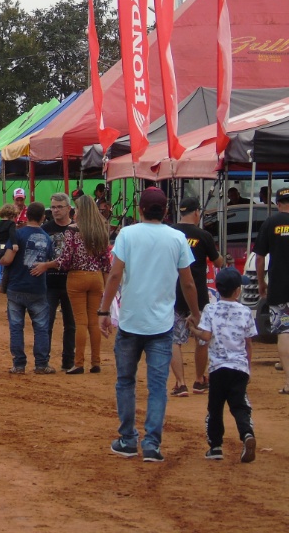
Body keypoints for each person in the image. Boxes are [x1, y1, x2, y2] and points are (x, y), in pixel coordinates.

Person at [99, 187, 199, 463]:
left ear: (140, 210)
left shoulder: (127, 234)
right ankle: (152, 444)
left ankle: (128, 439)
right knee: (157, 386)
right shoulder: (177, 238)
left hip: (131, 321)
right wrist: (195, 313)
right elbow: (187, 282)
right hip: (161, 324)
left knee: (125, 381)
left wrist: (104, 310)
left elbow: (115, 274)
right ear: (166, 211)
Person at [33, 195, 111, 374]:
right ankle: (96, 362)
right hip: (96, 277)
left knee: (80, 322)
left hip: (77, 277)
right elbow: (106, 261)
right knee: (93, 321)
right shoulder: (101, 229)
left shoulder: (73, 230)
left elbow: (66, 259)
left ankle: (79, 362)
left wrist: (48, 264)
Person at [188, 268, 257, 463]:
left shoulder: (211, 309)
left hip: (218, 368)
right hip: (239, 368)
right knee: (240, 406)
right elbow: (248, 343)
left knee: (215, 408)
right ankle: (247, 434)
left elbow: (206, 336)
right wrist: (248, 368)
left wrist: (193, 328)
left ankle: (216, 446)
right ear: (237, 291)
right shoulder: (245, 311)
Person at [170, 196, 225, 397]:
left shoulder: (170, 233)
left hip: (173, 293)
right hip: (198, 295)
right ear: (196, 213)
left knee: (174, 340)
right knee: (201, 339)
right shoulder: (203, 235)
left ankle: (180, 382)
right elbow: (218, 263)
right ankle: (199, 380)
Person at [1, 202, 56, 375]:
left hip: (16, 286)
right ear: (42, 218)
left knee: (16, 327)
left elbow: (8, 260)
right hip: (37, 288)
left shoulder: (17, 234)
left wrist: (2, 259)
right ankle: (41, 364)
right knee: (41, 327)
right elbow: (51, 259)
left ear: (26, 216)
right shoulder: (47, 237)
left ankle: (19, 365)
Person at [253, 185, 289, 395]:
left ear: (277, 204)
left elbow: (259, 258)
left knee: (284, 331)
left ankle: (288, 380)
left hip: (279, 285)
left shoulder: (270, 222)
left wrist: (261, 283)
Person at [42, 192, 76, 372]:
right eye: (53, 207)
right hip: (50, 283)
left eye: (59, 207)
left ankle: (68, 360)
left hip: (72, 283)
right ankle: (43, 360)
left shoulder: (77, 229)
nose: (55, 211)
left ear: (68, 208)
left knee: (71, 324)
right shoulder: (45, 229)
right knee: (46, 322)